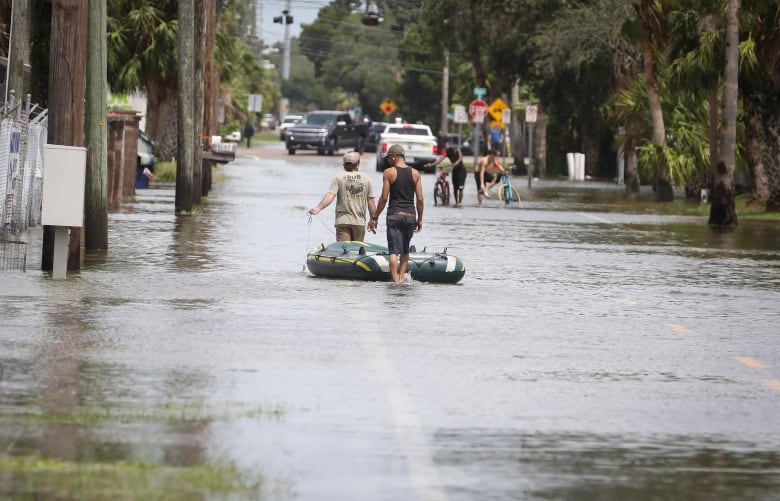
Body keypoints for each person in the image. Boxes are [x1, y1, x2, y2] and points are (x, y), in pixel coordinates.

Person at [370, 144, 424, 284]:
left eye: (389, 157)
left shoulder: (389, 172)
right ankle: (401, 279)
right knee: (405, 250)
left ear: (394, 156)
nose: (388, 160)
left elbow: (383, 197)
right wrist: (420, 219)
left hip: (394, 214)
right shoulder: (416, 173)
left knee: (393, 251)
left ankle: (395, 283)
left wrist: (375, 216)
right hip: (410, 216)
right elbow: (419, 199)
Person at [309, 151, 377, 242]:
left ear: (344, 165)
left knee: (344, 251)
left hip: (342, 222)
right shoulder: (366, 179)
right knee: (356, 252)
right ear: (358, 163)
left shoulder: (338, 177)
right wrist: (373, 220)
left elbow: (330, 195)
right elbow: (371, 201)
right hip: (359, 223)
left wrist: (318, 208)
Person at [425, 139, 466, 207]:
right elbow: (439, 160)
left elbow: (460, 157)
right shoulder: (448, 153)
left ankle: (460, 202)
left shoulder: (457, 151)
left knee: (460, 187)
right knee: (455, 188)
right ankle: (456, 202)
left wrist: (457, 162)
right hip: (455, 170)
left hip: (462, 170)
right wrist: (431, 165)